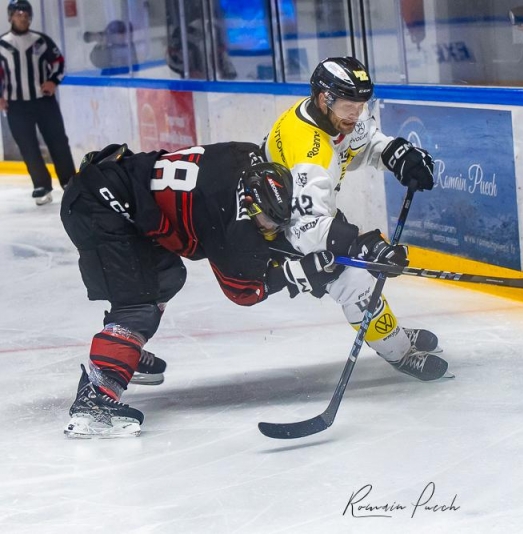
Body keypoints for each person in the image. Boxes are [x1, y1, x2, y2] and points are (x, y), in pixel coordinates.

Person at [60, 141, 341, 438]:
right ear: (250, 205)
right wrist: (300, 272)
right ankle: (95, 400)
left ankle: (122, 354)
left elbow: (260, 231)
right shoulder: (229, 220)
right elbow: (243, 291)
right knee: (139, 301)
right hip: (99, 206)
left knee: (165, 276)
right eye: (266, 222)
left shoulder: (245, 159)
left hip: (114, 191)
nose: (269, 230)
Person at [262, 56, 449, 383]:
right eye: (350, 106)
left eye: (361, 104)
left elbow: (363, 143)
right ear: (324, 99)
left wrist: (394, 153)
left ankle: (391, 333)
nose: (357, 114)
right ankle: (400, 353)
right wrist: (367, 248)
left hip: (307, 211)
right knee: (355, 282)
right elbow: (306, 229)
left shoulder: (336, 116)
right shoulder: (310, 152)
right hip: (276, 229)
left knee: (361, 271)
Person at [0, 0, 75, 205]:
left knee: (58, 141)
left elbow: (60, 64)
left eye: (26, 14)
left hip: (44, 102)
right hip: (16, 105)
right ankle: (41, 185)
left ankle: (70, 183)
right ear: (10, 17)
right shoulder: (2, 45)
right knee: (28, 146)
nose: (22, 18)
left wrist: (52, 81)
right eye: (18, 14)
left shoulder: (41, 41)